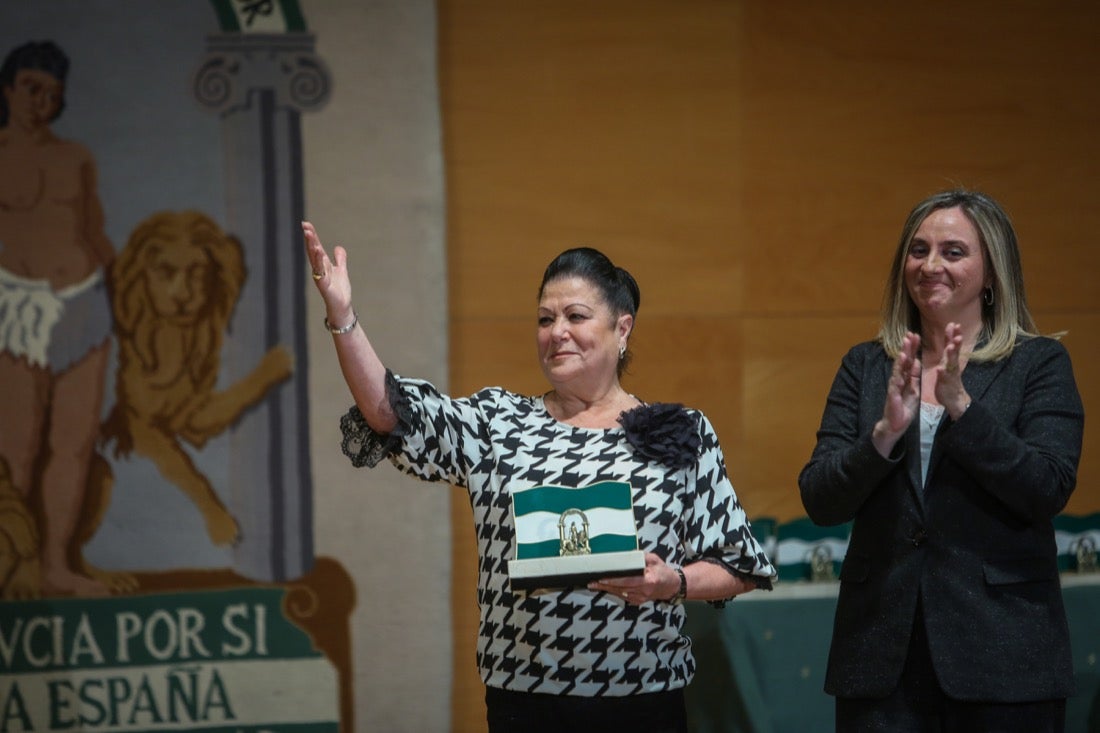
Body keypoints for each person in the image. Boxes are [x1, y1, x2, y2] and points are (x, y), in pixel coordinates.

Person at [303, 221, 777, 733]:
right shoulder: (499, 423)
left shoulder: (679, 431)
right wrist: (343, 315)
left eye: (576, 316)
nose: (557, 332)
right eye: (545, 319)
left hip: (643, 700)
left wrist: (672, 582)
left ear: (623, 328)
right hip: (523, 702)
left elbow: (740, 564)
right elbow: (390, 413)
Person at [799, 189, 1084, 732]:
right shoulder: (865, 365)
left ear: (993, 272)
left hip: (1003, 656)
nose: (931, 265)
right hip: (880, 656)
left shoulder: (1039, 363)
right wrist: (884, 434)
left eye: (954, 251)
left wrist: (961, 406)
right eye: (919, 250)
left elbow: (1046, 486)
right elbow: (820, 497)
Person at [0, 40, 115, 596]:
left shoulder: (76, 157)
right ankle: (13, 566)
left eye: (52, 95)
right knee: (16, 447)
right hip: (15, 309)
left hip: (84, 305)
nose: (40, 102)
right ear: (8, 88)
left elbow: (94, 233)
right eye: (30, 88)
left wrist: (124, 299)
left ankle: (55, 565)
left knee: (72, 444)